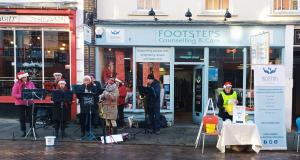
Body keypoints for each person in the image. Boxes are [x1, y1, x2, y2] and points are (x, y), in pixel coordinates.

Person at [11, 71, 35, 137]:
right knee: (22, 118)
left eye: (26, 77)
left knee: (31, 117)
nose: (25, 78)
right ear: (20, 78)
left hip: (29, 102)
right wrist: (22, 95)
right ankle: (23, 131)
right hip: (20, 103)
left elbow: (34, 91)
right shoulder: (17, 84)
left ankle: (32, 131)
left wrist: (33, 93)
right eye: (23, 77)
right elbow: (13, 94)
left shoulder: (31, 83)